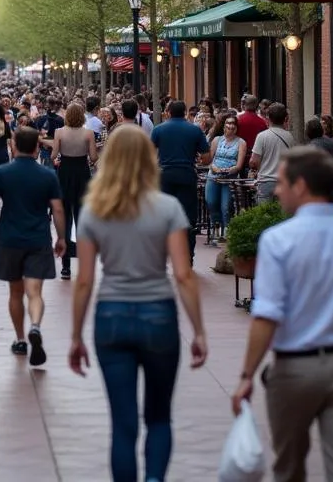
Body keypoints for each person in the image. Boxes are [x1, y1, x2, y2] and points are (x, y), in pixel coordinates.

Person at [231, 147, 333, 482]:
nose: (276, 190)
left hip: (294, 370)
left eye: (281, 183)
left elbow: (267, 315)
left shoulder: (277, 241)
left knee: (288, 469)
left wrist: (247, 375)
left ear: (301, 185)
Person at [69, 125, 207, 482]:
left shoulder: (94, 210)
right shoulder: (168, 208)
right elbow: (183, 273)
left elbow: (83, 280)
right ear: (149, 158)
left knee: (123, 422)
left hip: (111, 316)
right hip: (158, 314)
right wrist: (199, 330)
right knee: (159, 415)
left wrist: (75, 336)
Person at [0, 127, 66, 366]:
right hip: (38, 238)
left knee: (15, 293)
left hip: (9, 238)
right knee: (35, 292)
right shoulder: (48, 175)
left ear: (14, 146)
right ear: (38, 147)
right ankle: (36, 326)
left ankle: (20, 339)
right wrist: (61, 237)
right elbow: (57, 209)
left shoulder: (3, 172)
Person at [149, 100, 209, 263]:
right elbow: (206, 158)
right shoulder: (195, 130)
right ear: (185, 113)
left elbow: (150, 155)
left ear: (168, 112)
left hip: (165, 176)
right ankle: (188, 255)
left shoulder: (158, 130)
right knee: (188, 216)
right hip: (186, 175)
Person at [51, 102, 98, 280]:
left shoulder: (59, 132)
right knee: (82, 219)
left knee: (65, 219)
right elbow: (93, 157)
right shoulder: (88, 133)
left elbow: (54, 155)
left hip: (65, 175)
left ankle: (65, 267)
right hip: (82, 175)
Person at [205, 114, 246, 244]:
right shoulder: (217, 140)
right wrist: (214, 167)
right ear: (223, 126)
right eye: (228, 123)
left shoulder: (241, 143)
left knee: (226, 206)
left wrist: (229, 170)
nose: (231, 126)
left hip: (229, 178)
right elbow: (209, 160)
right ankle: (215, 226)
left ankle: (226, 231)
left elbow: (239, 165)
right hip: (213, 176)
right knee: (211, 201)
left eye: (233, 123)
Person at [250, 103, 295, 205]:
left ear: (268, 118)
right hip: (284, 183)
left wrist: (258, 168)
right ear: (285, 119)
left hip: (265, 182)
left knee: (264, 215)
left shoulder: (262, 136)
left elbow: (253, 161)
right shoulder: (290, 137)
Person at [33, 98, 64, 166]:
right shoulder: (61, 119)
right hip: (54, 149)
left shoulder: (41, 118)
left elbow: (38, 134)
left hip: (48, 149)